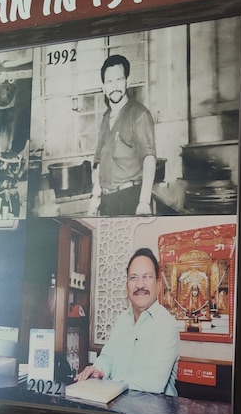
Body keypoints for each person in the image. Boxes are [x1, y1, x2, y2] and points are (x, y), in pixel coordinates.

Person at [75, 247, 179, 395]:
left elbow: (154, 382)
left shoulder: (167, 325)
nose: (140, 285)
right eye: (134, 278)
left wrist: (110, 382)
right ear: (127, 286)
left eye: (147, 277)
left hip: (154, 407)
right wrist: (98, 370)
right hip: (116, 402)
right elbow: (107, 356)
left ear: (158, 285)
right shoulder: (122, 320)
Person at [88, 54, 157, 216]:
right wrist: (95, 199)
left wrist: (144, 202)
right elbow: (99, 163)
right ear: (103, 87)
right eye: (109, 82)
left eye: (119, 79)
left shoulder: (139, 114)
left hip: (130, 198)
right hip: (107, 202)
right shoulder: (106, 118)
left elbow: (149, 158)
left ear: (128, 81)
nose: (114, 86)